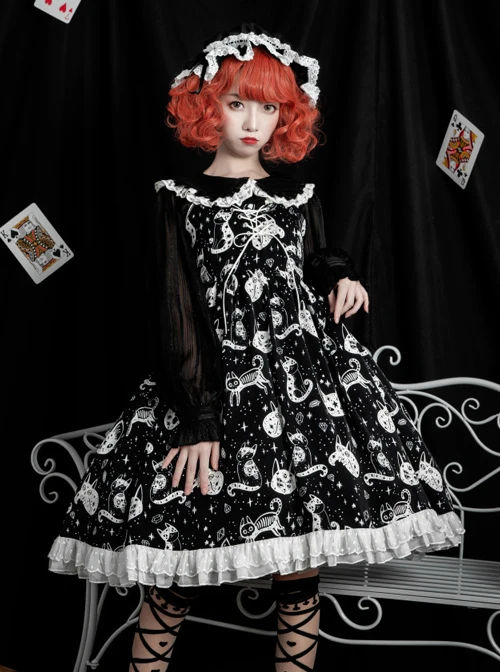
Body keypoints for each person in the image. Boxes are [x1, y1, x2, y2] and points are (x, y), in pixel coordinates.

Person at [47, 24, 465, 672]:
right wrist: (200, 417)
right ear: (207, 106)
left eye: (269, 107)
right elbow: (176, 312)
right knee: (176, 566)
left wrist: (342, 277)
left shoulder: (299, 196)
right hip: (212, 389)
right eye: (237, 102)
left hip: (304, 395)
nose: (252, 121)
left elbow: (314, 260)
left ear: (286, 116)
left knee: (300, 573)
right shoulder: (179, 202)